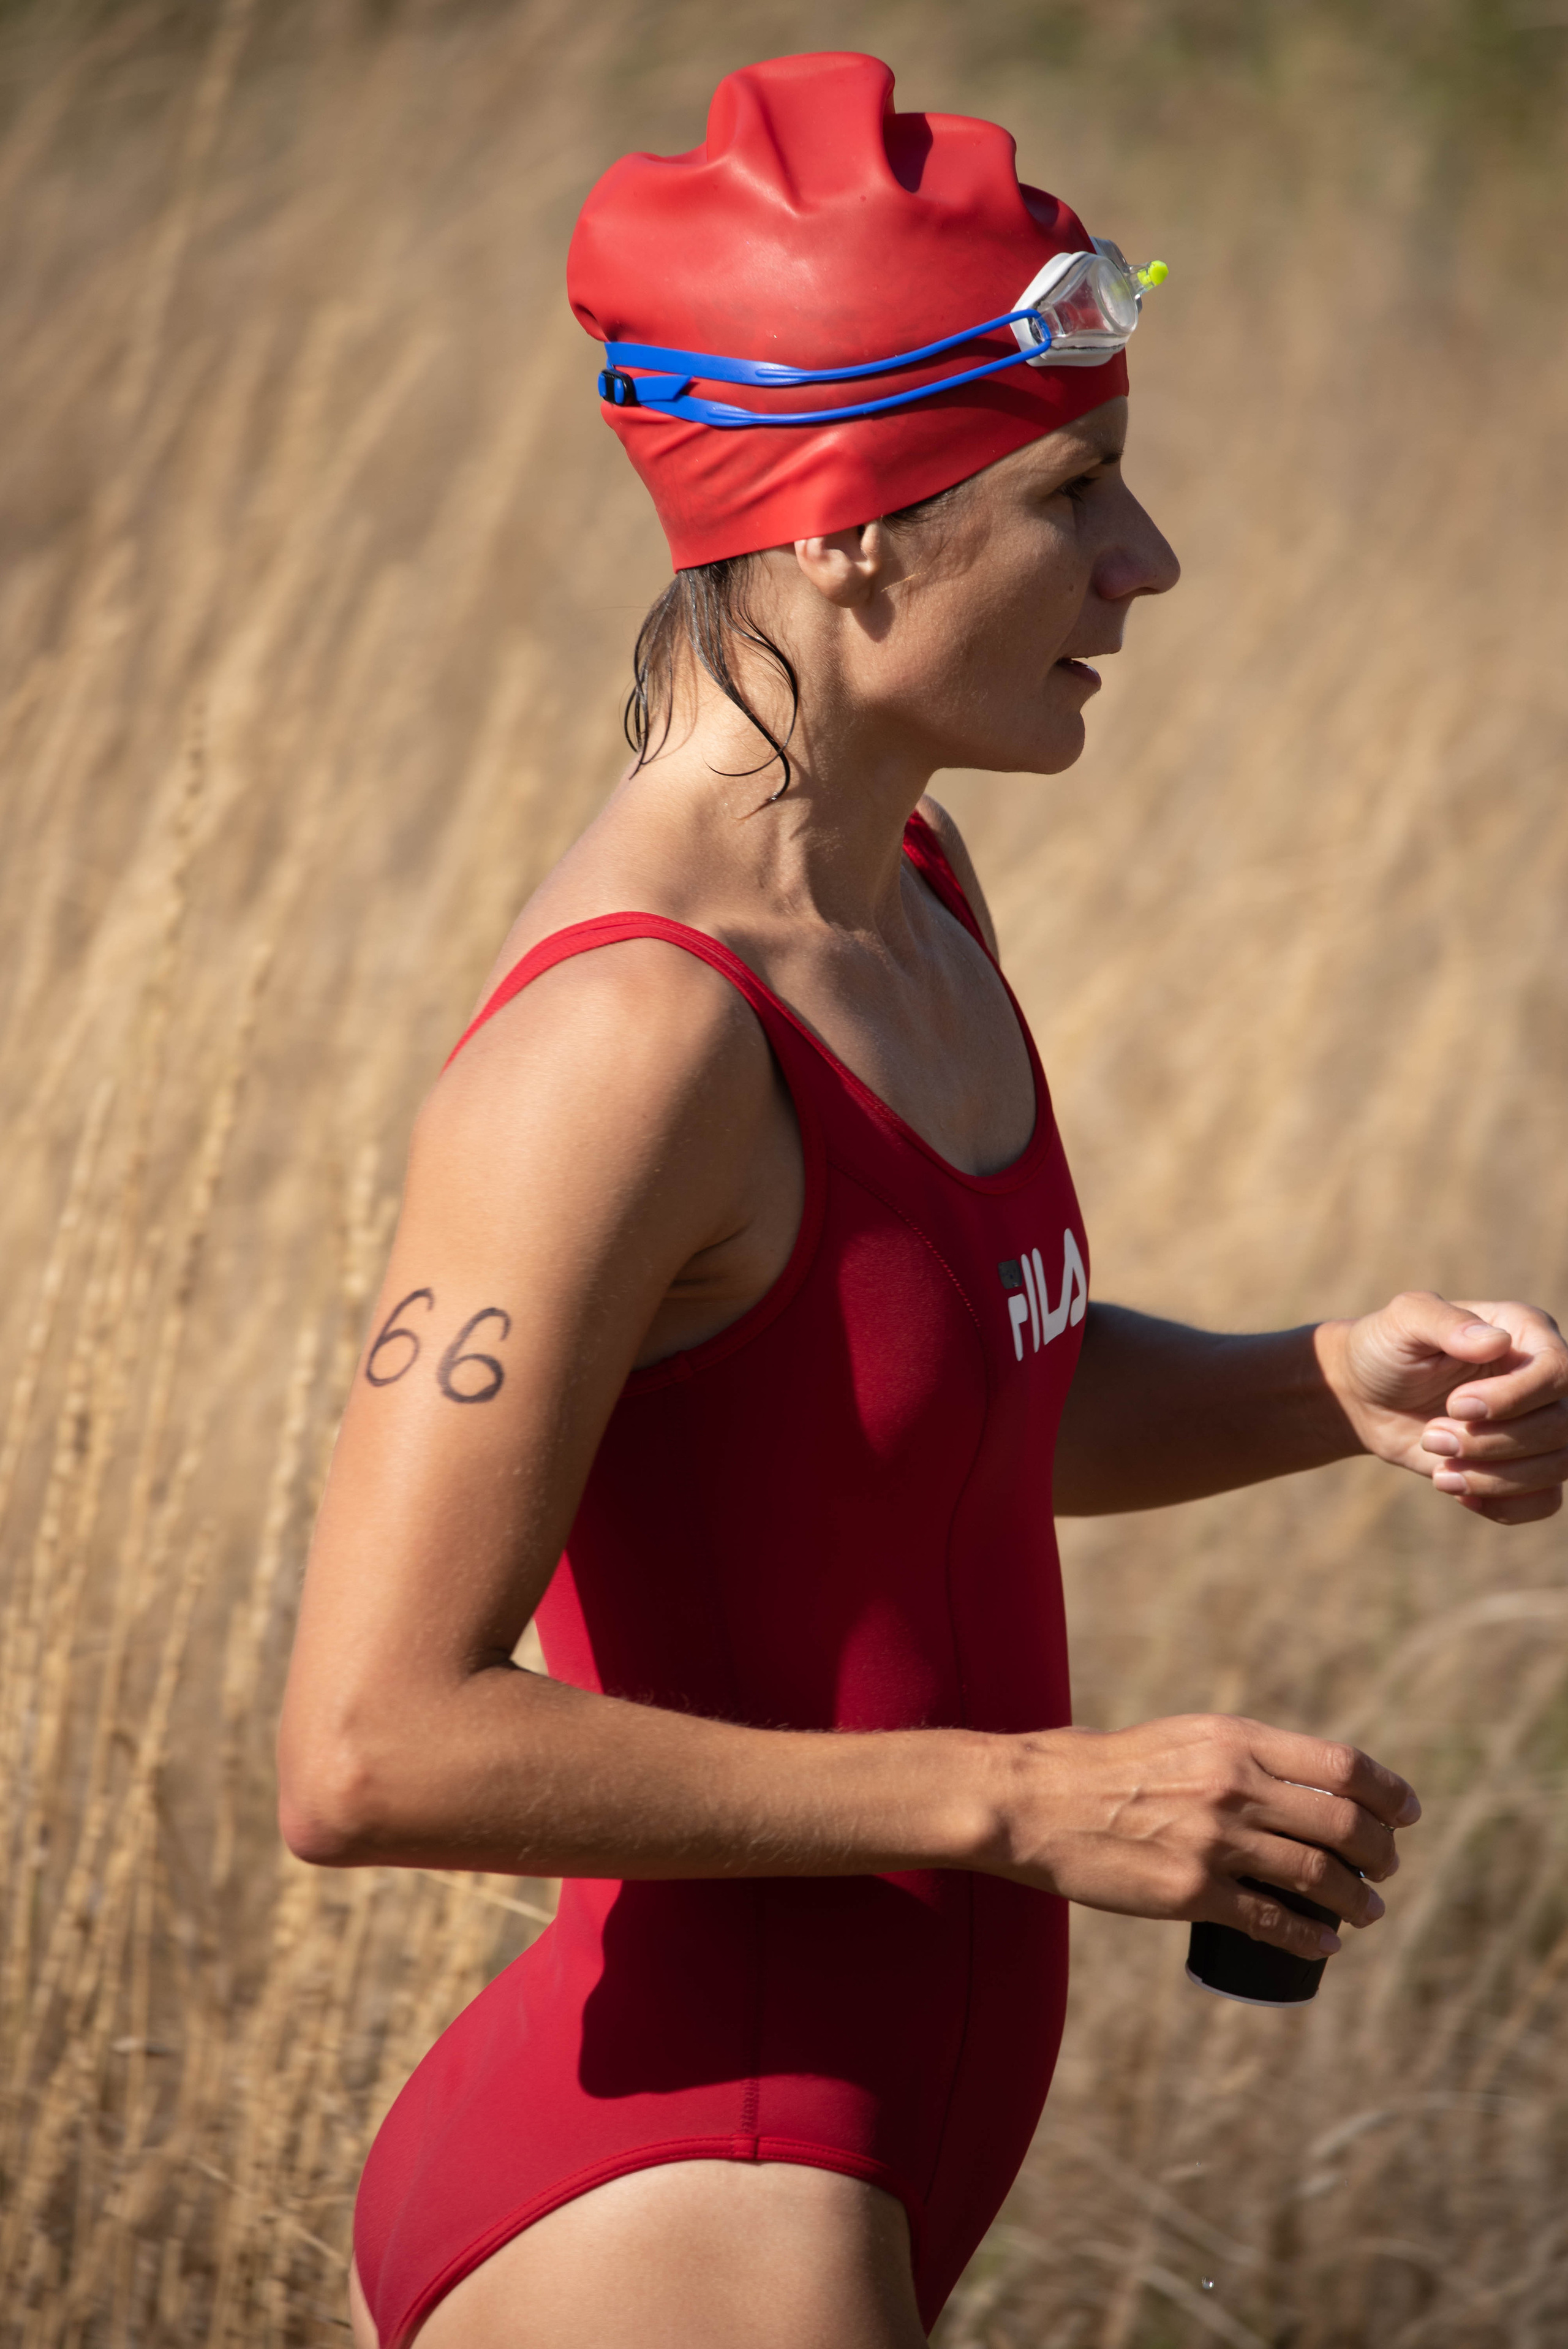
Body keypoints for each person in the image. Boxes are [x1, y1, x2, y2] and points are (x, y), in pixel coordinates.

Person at [276, 51, 1568, 2349]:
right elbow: (371, 1750)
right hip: (690, 2186)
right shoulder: (628, 1046)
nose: (1148, 562)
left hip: (869, 2152)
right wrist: (1028, 1802)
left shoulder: (911, 894)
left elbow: (933, 1417)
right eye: (1079, 493)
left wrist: (1330, 1384)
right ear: (860, 522)